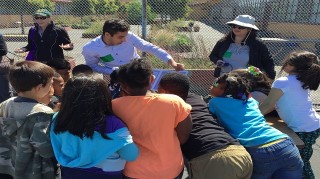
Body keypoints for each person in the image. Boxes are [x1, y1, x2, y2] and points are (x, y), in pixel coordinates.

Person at [158, 72, 253, 179]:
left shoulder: (167, 107)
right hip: (240, 153)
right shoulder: (194, 98)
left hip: (213, 160)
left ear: (163, 91)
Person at [208, 73, 303, 179]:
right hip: (286, 145)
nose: (211, 86)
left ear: (223, 89)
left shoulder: (215, 102)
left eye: (215, 84)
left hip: (257, 152)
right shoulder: (251, 100)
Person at [112, 59, 192, 179]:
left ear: (122, 85)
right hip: (170, 170)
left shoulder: (113, 106)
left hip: (133, 171)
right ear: (152, 79)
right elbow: (184, 135)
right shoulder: (173, 101)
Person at [50, 75, 139, 179]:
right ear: (104, 97)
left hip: (70, 174)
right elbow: (131, 155)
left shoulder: (58, 119)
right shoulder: (113, 124)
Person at [259, 50, 320, 179]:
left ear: (292, 65)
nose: (284, 64)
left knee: (300, 163)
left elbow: (268, 104)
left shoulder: (283, 81)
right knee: (301, 160)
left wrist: (250, 118)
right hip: (311, 125)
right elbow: (275, 105)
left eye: (287, 62)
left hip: (303, 128)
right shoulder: (302, 80)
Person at [0, 61, 56, 179]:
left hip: (7, 166)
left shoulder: (6, 104)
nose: (52, 87)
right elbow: (45, 149)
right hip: (31, 171)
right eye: (50, 84)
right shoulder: (42, 112)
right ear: (40, 87)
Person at [82, 19, 185, 75]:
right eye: (121, 37)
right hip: (115, 76)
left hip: (137, 69)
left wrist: (172, 62)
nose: (125, 40)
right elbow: (93, 66)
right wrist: (112, 72)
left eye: (125, 36)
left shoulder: (129, 36)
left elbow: (150, 47)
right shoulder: (90, 48)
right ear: (108, 35)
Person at [209, 15, 275, 79]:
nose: (236, 28)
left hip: (246, 82)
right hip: (222, 80)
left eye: (241, 27)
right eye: (234, 26)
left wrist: (271, 77)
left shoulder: (258, 45)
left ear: (249, 29)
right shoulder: (223, 41)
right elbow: (212, 55)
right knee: (215, 89)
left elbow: (268, 61)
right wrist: (217, 61)